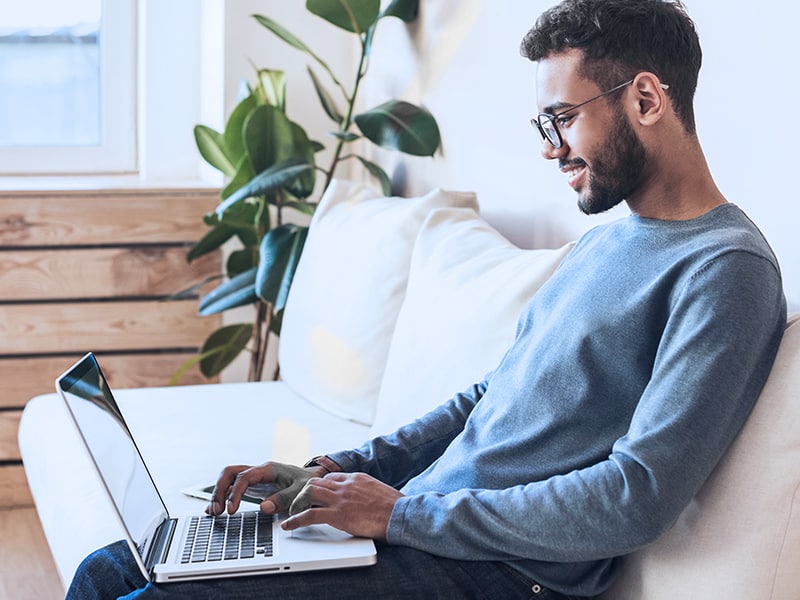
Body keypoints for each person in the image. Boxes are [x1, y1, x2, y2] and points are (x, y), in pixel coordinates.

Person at [66, 1, 787, 598]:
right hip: (424, 533)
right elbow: (489, 396)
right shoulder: (605, 241)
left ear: (647, 98)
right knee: (110, 569)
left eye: (562, 118)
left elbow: (637, 493)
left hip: (498, 573)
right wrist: (333, 473)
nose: (549, 147)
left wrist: (403, 515)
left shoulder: (726, 270)